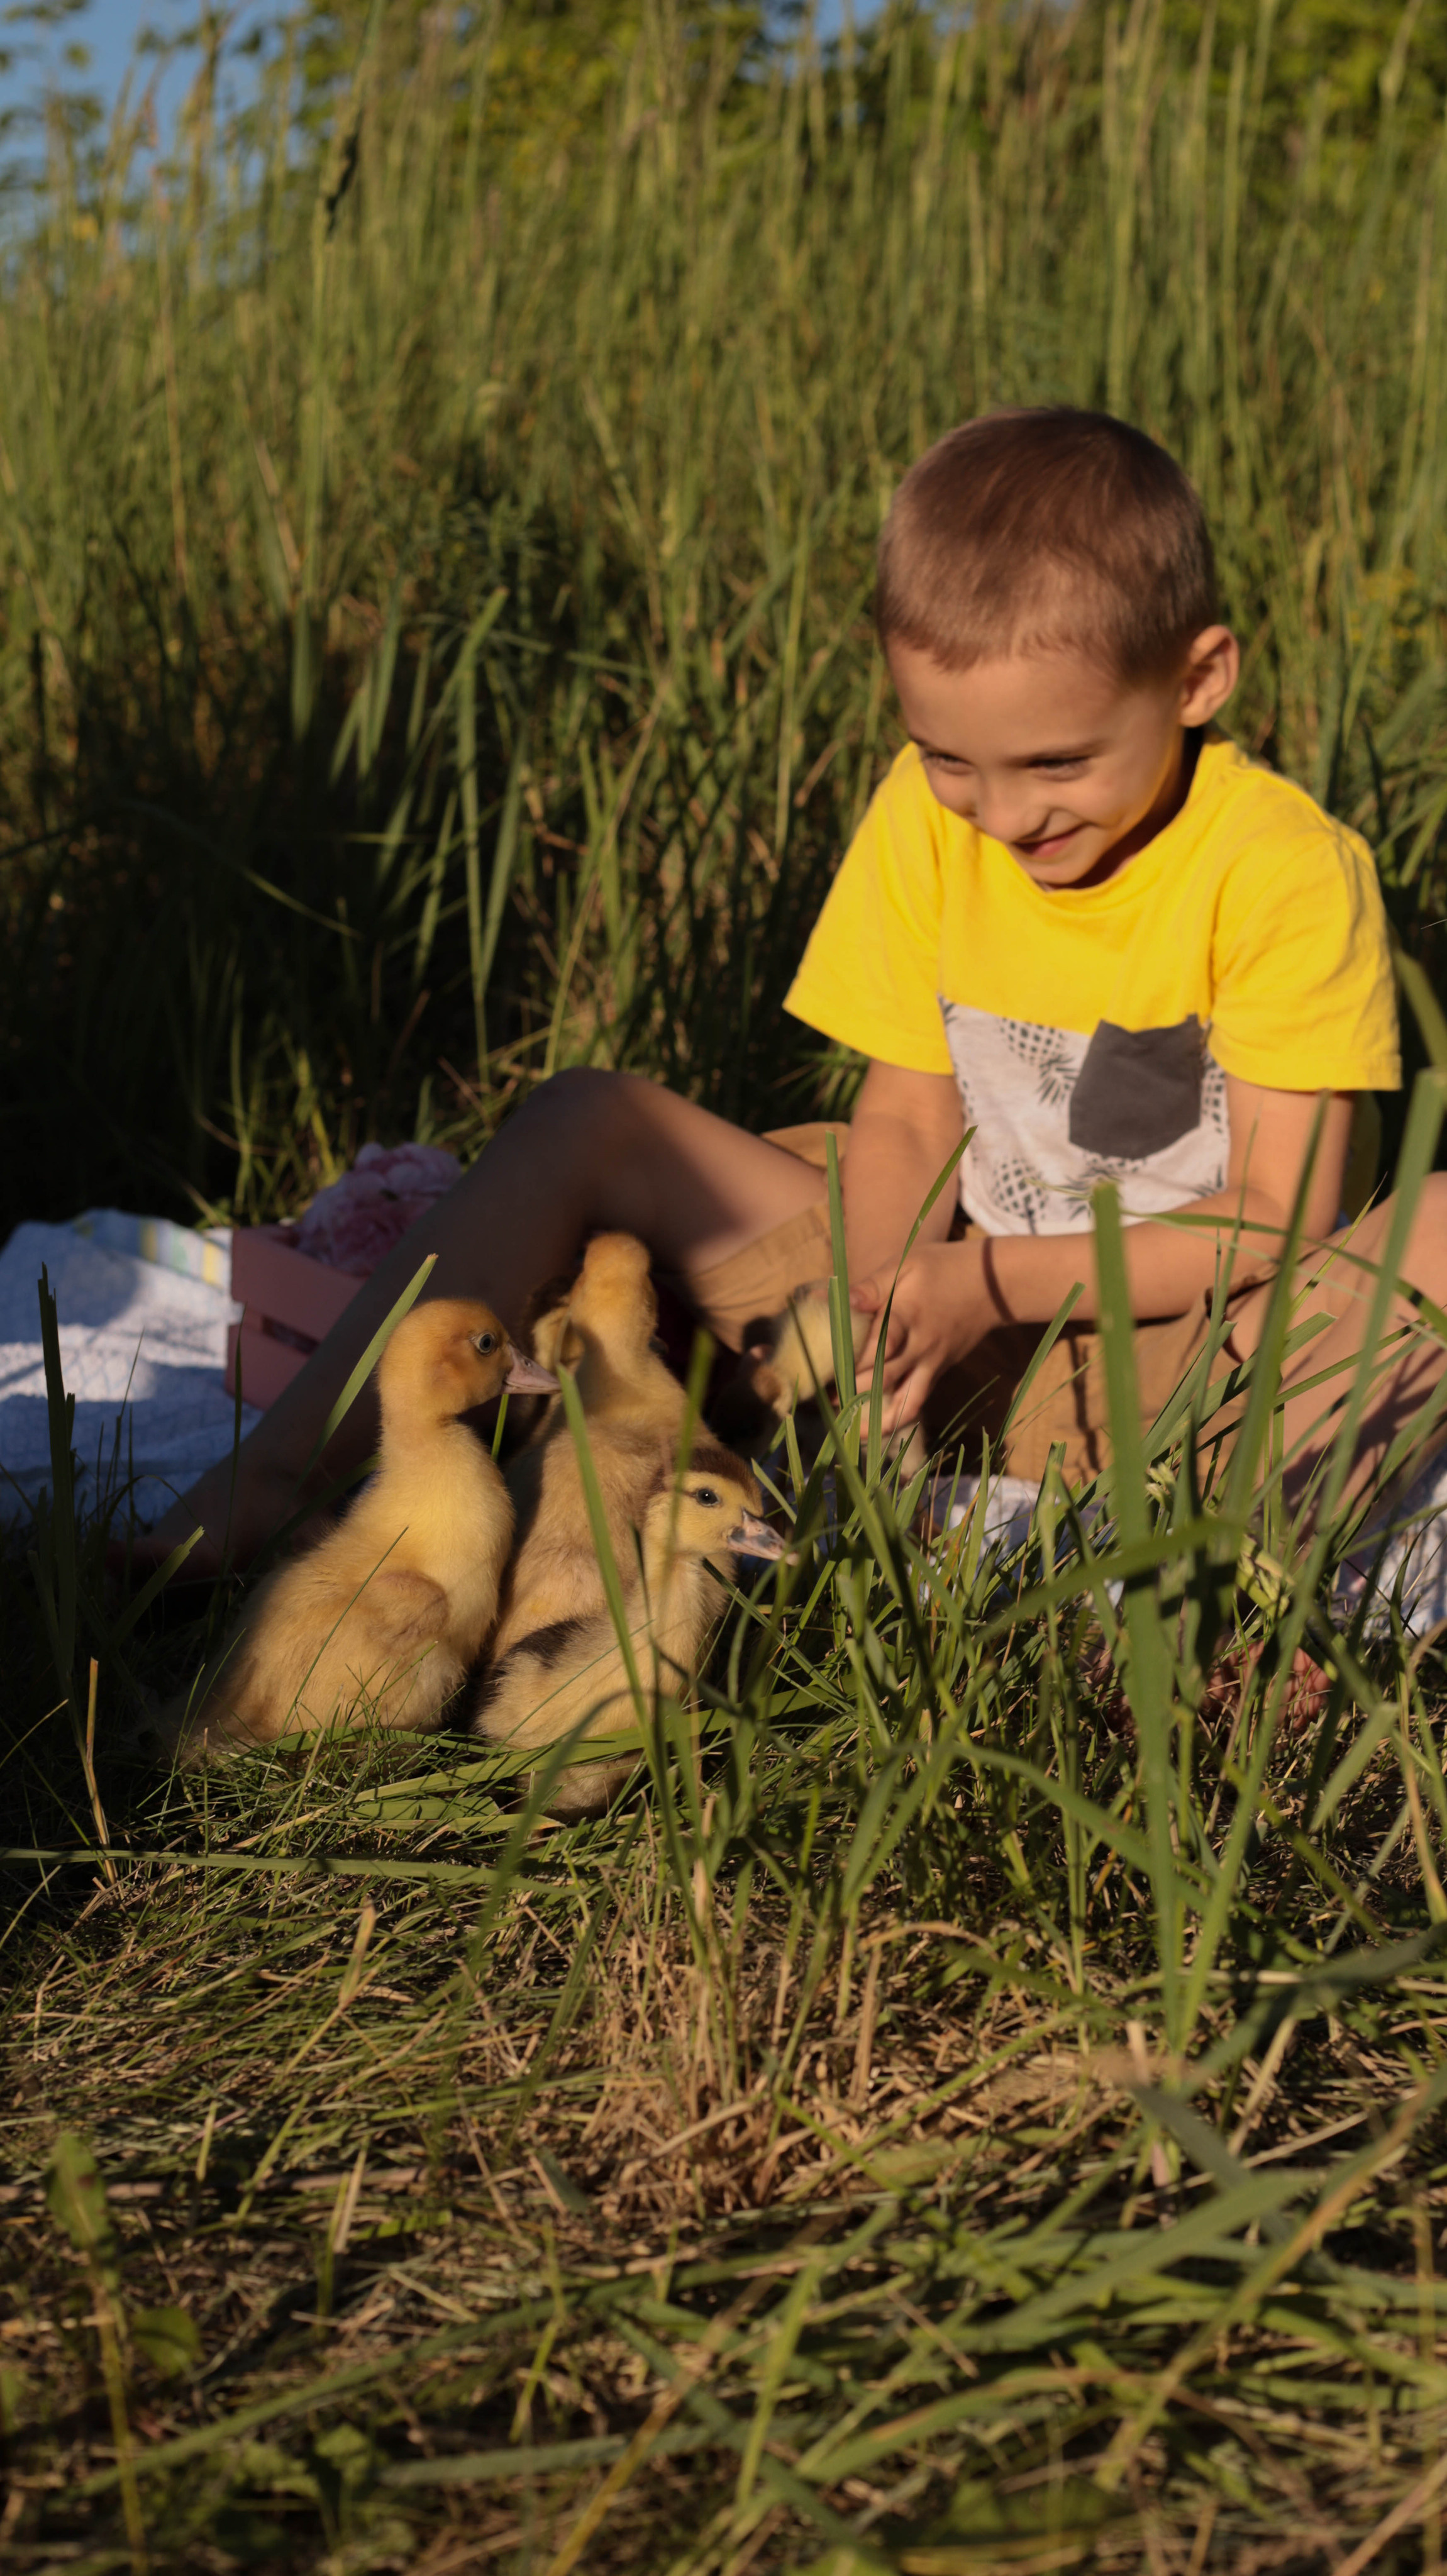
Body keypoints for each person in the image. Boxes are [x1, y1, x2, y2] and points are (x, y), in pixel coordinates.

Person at [134, 407, 1447, 1579]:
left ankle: (1192, 1549)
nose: (1002, 816)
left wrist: (980, 1285)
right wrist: (872, 1308)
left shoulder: (1279, 871)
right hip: (946, 1295)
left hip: (1184, 1354)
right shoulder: (925, 816)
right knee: (594, 1117)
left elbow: (1277, 1221)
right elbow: (905, 1120)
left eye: (1056, 763)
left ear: (1198, 678)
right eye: (950, 759)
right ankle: (279, 1478)